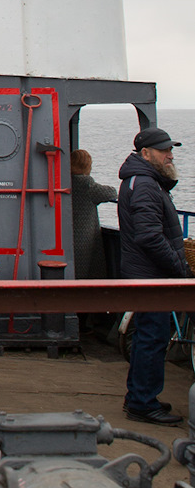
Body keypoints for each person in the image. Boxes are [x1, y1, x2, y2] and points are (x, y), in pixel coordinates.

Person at [119, 127, 187, 425]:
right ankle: (143, 403)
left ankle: (138, 397)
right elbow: (149, 236)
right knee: (152, 337)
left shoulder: (141, 181)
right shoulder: (145, 184)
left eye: (170, 149)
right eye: (163, 150)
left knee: (149, 335)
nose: (169, 154)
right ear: (145, 154)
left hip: (145, 273)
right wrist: (178, 266)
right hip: (152, 276)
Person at [70, 148, 116, 280]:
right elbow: (111, 193)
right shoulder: (86, 184)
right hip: (84, 239)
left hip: (67, 236)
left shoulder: (66, 181)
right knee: (87, 272)